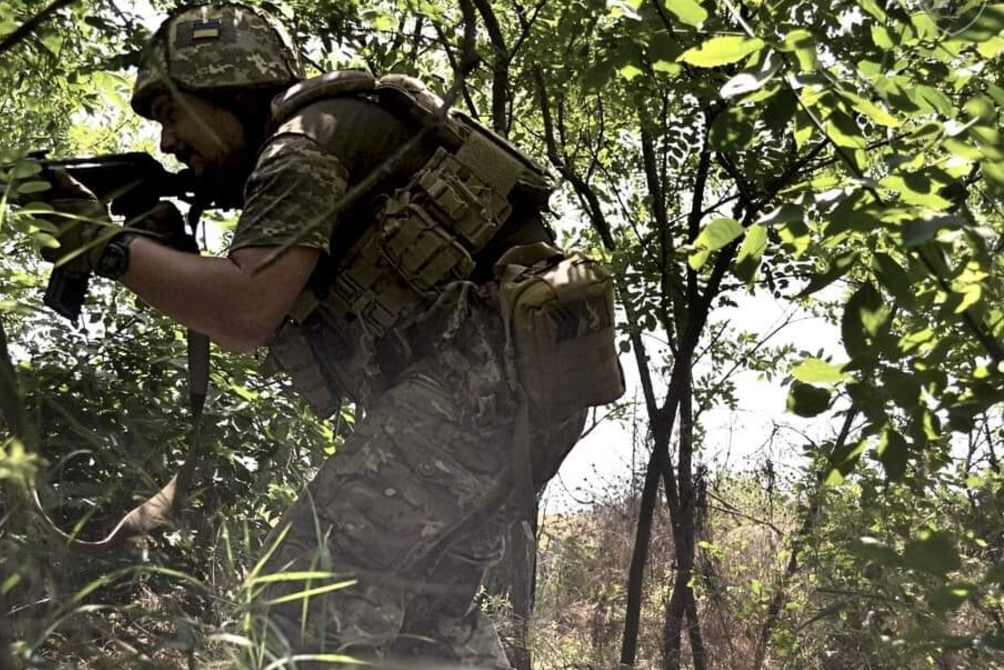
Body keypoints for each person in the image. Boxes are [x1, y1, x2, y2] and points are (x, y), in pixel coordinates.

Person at [39, 3, 621, 667]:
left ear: (228, 90)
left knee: (298, 602)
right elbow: (255, 308)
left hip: (475, 383)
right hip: (522, 391)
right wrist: (160, 254)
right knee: (426, 626)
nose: (168, 144)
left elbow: (245, 310)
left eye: (172, 113)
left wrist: (107, 248)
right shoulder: (331, 134)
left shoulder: (302, 144)